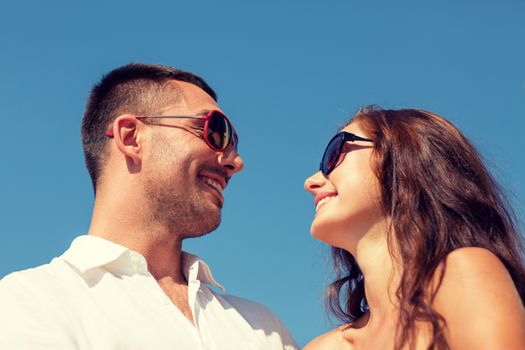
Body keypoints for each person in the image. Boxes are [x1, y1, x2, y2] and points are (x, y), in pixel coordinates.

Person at [0, 63, 298, 349]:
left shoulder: (263, 327)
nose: (235, 162)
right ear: (131, 137)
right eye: (216, 131)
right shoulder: (27, 303)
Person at [303, 106, 525, 349]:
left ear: (404, 155)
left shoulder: (462, 273)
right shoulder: (324, 347)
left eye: (335, 153)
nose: (310, 182)